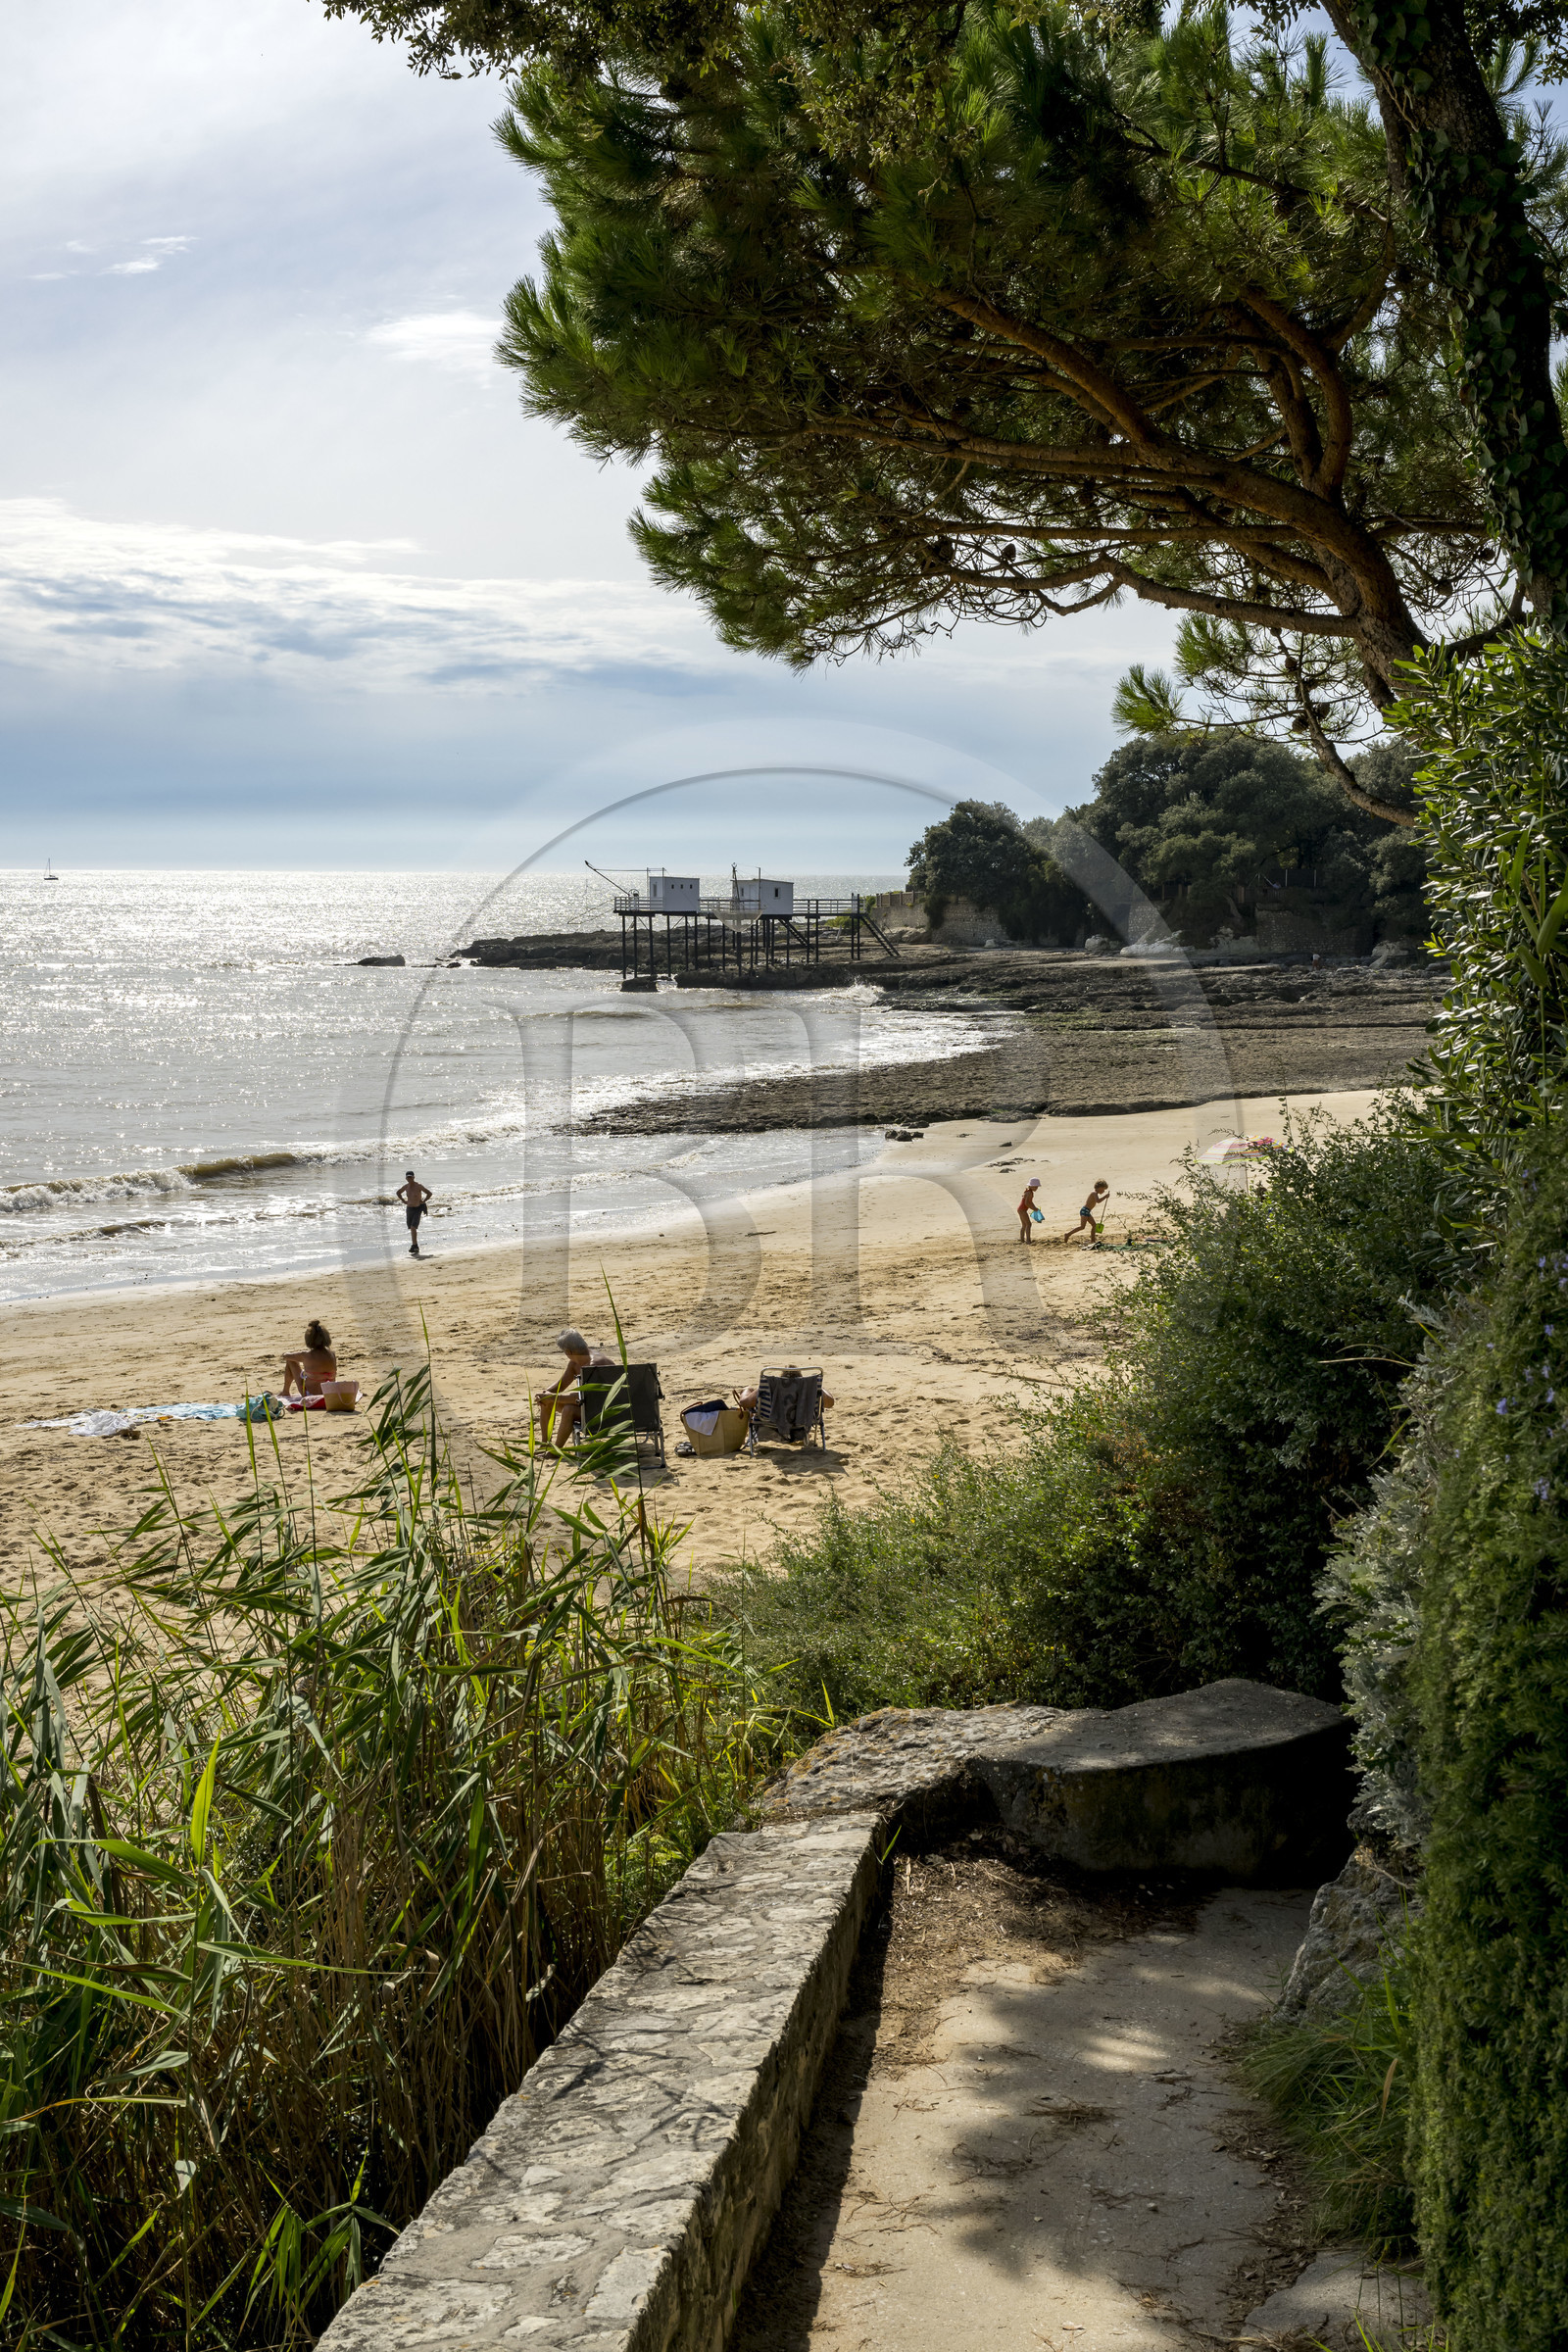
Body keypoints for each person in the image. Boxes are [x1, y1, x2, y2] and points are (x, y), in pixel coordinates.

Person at [535, 1328, 617, 1446]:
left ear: (568, 1352)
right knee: (547, 1401)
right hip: (589, 1407)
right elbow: (561, 1384)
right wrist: (545, 1394)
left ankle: (556, 1450)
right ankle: (545, 1444)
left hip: (604, 1413)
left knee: (569, 1409)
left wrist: (552, 1396)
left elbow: (582, 1397)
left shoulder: (594, 1364)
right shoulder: (575, 1363)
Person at [282, 1319, 336, 1398]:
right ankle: (285, 1391)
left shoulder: (306, 1355)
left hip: (309, 1394)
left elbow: (285, 1355)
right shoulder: (332, 1354)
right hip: (329, 1393)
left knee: (291, 1360)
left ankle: (285, 1391)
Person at [1064, 1179, 1110, 1248]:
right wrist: (1105, 1196)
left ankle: (1093, 1240)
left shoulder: (1095, 1193)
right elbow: (1098, 1201)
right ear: (1099, 1187)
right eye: (1103, 1189)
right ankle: (1068, 1234)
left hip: (1087, 1211)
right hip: (1084, 1210)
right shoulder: (1094, 1193)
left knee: (1094, 1225)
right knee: (1082, 1227)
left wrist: (1105, 1196)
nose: (1103, 1191)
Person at [397, 1169, 432, 1256]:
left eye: (411, 1177)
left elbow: (429, 1193)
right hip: (409, 1208)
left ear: (414, 1177)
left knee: (413, 1227)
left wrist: (424, 1201)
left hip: (418, 1208)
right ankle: (415, 1245)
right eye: (408, 1177)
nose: (409, 1179)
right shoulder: (406, 1186)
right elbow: (398, 1192)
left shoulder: (418, 1186)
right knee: (411, 1227)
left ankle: (414, 1245)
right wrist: (403, 1201)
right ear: (406, 1178)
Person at [1017, 1176, 1042, 1243]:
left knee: (1024, 1225)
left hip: (1020, 1209)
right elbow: (1027, 1203)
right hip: (1022, 1210)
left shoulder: (1028, 1192)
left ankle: (1022, 1239)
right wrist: (1034, 1209)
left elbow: (1030, 1202)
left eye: (1037, 1187)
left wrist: (1035, 1208)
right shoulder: (1029, 1193)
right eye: (1035, 1187)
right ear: (1031, 1186)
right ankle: (1028, 1240)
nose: (1036, 1188)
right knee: (1028, 1224)